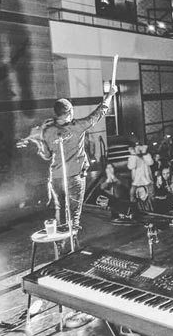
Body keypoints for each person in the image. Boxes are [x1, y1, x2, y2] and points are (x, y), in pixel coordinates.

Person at [32, 85, 117, 237]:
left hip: (56, 177)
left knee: (60, 209)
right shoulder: (76, 127)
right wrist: (110, 94)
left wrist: (41, 140)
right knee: (73, 213)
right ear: (70, 111)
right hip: (74, 176)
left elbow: (46, 156)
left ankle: (60, 240)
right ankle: (71, 244)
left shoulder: (48, 129)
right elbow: (98, 113)